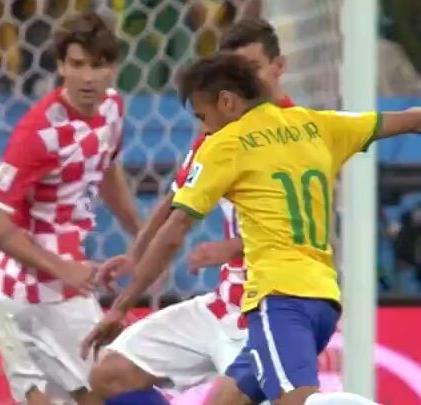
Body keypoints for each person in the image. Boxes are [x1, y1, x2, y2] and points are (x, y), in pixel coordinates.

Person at [86, 51, 421, 405]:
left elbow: (176, 228)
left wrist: (121, 306)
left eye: (202, 117)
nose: (203, 128)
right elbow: (416, 120)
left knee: (297, 402)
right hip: (321, 299)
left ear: (227, 102)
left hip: (278, 299)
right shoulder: (317, 124)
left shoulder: (227, 144)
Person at [82, 19, 291, 405]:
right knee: (105, 378)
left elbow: (304, 231)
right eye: (232, 75)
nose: (239, 87)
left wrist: (232, 248)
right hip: (222, 303)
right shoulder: (216, 134)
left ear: (279, 68)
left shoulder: (297, 135)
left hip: (271, 314)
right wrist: (136, 255)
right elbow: (174, 206)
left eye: (252, 71)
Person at [0, 11, 141, 405]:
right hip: (33, 295)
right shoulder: (39, 132)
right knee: (119, 391)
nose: (87, 77)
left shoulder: (112, 109)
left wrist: (142, 235)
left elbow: (105, 170)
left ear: (113, 68)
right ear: (61, 66)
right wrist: (63, 267)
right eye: (77, 65)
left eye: (98, 66)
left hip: (61, 288)